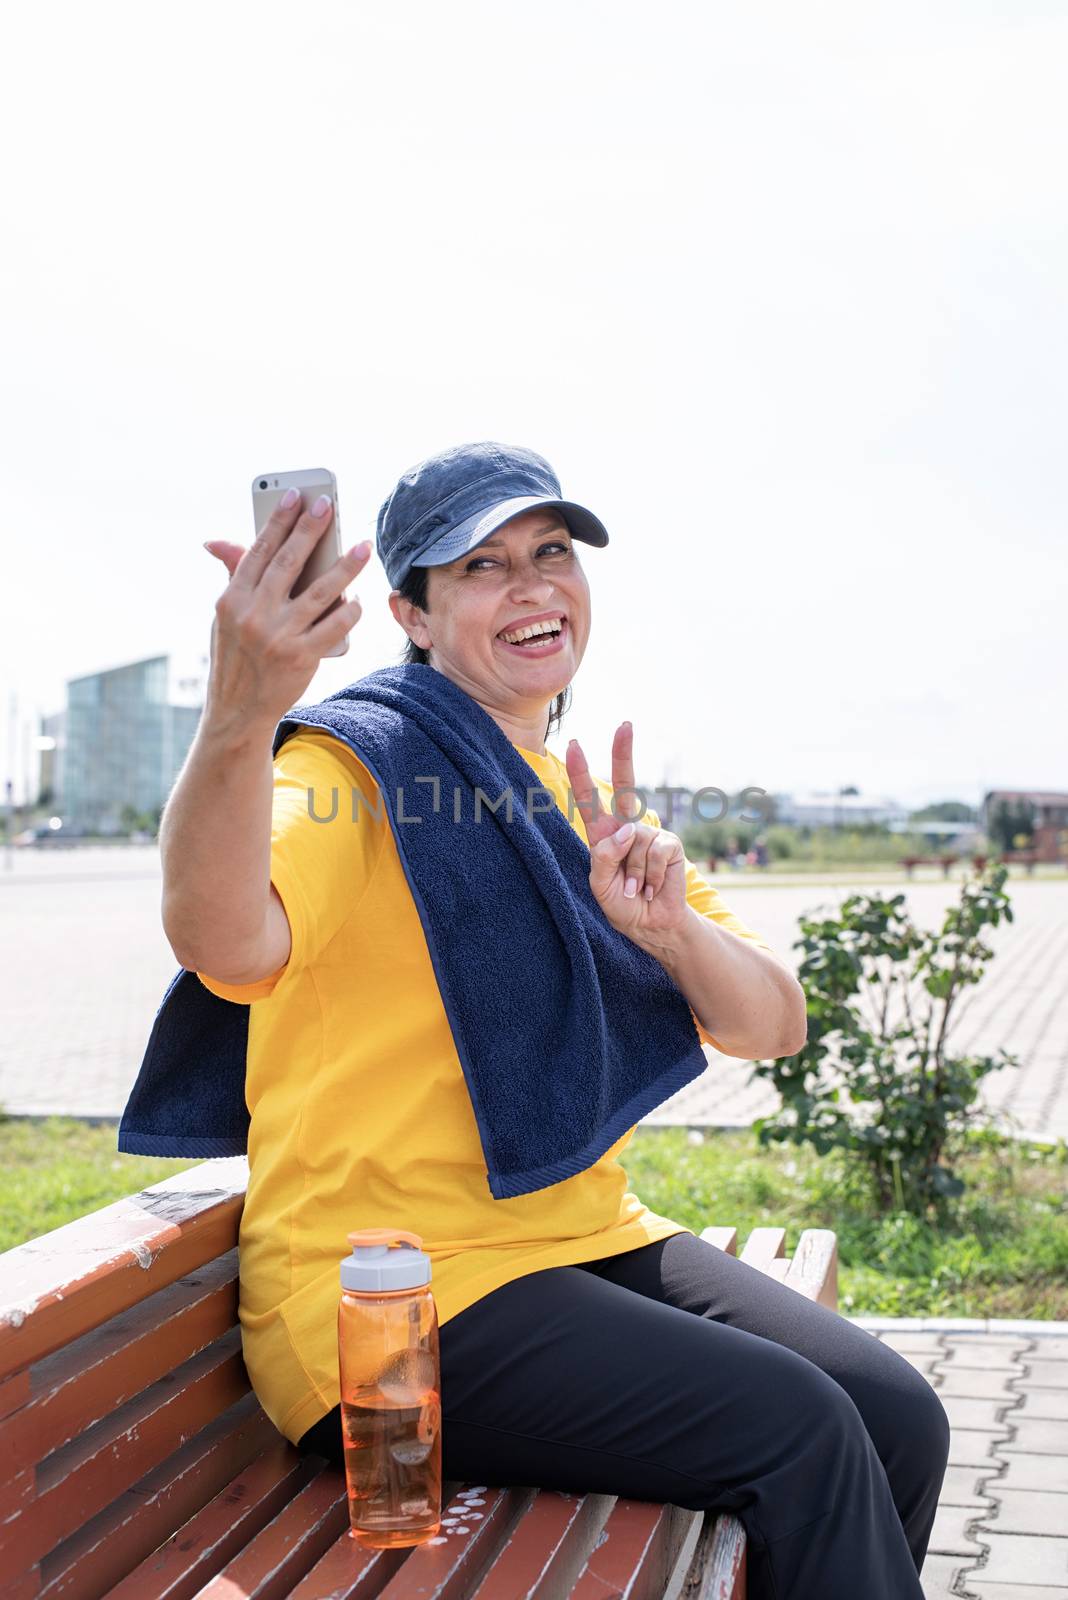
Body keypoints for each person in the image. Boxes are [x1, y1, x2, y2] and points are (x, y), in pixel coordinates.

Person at [165, 441, 948, 1600]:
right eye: (481, 565)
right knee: (805, 1432)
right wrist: (240, 716)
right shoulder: (354, 765)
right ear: (412, 616)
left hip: (576, 1241)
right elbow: (227, 943)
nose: (532, 583)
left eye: (551, 552)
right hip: (390, 1304)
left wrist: (671, 931)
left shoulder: (577, 796)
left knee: (897, 1415)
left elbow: (772, 1024)